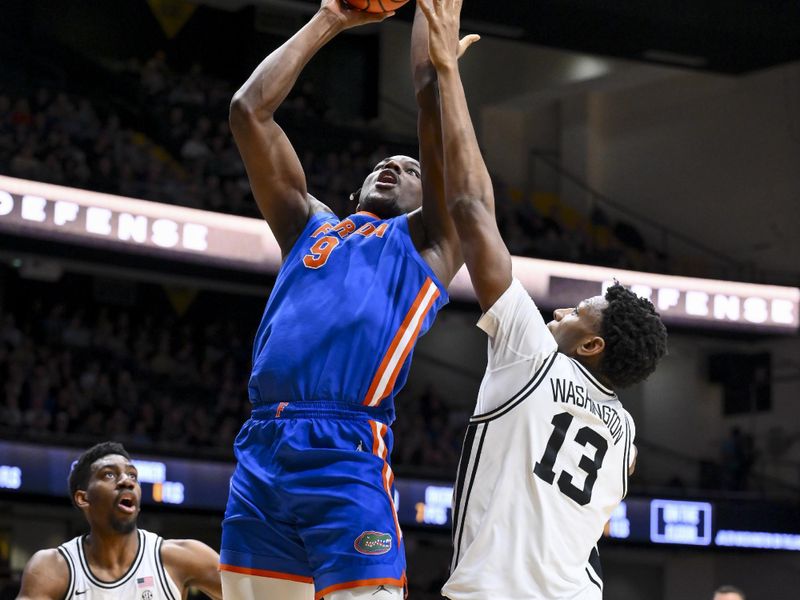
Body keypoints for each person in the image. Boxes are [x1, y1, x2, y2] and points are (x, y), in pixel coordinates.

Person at [219, 2, 478, 599]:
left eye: (411, 168)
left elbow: (433, 121)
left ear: (426, 195)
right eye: (384, 162)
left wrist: (439, 61)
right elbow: (247, 112)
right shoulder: (310, 227)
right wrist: (331, 17)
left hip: (345, 450)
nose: (393, 164)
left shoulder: (433, 243)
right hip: (260, 448)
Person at [416, 1, 669, 598]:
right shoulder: (627, 435)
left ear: (593, 344)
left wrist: (449, 73)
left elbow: (471, 209)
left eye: (577, 312)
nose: (557, 311)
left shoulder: (532, 352)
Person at [16, 441, 222, 600]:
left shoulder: (182, 557)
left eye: (132, 476)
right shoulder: (52, 568)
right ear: (83, 498)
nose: (126, 481)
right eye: (109, 475)